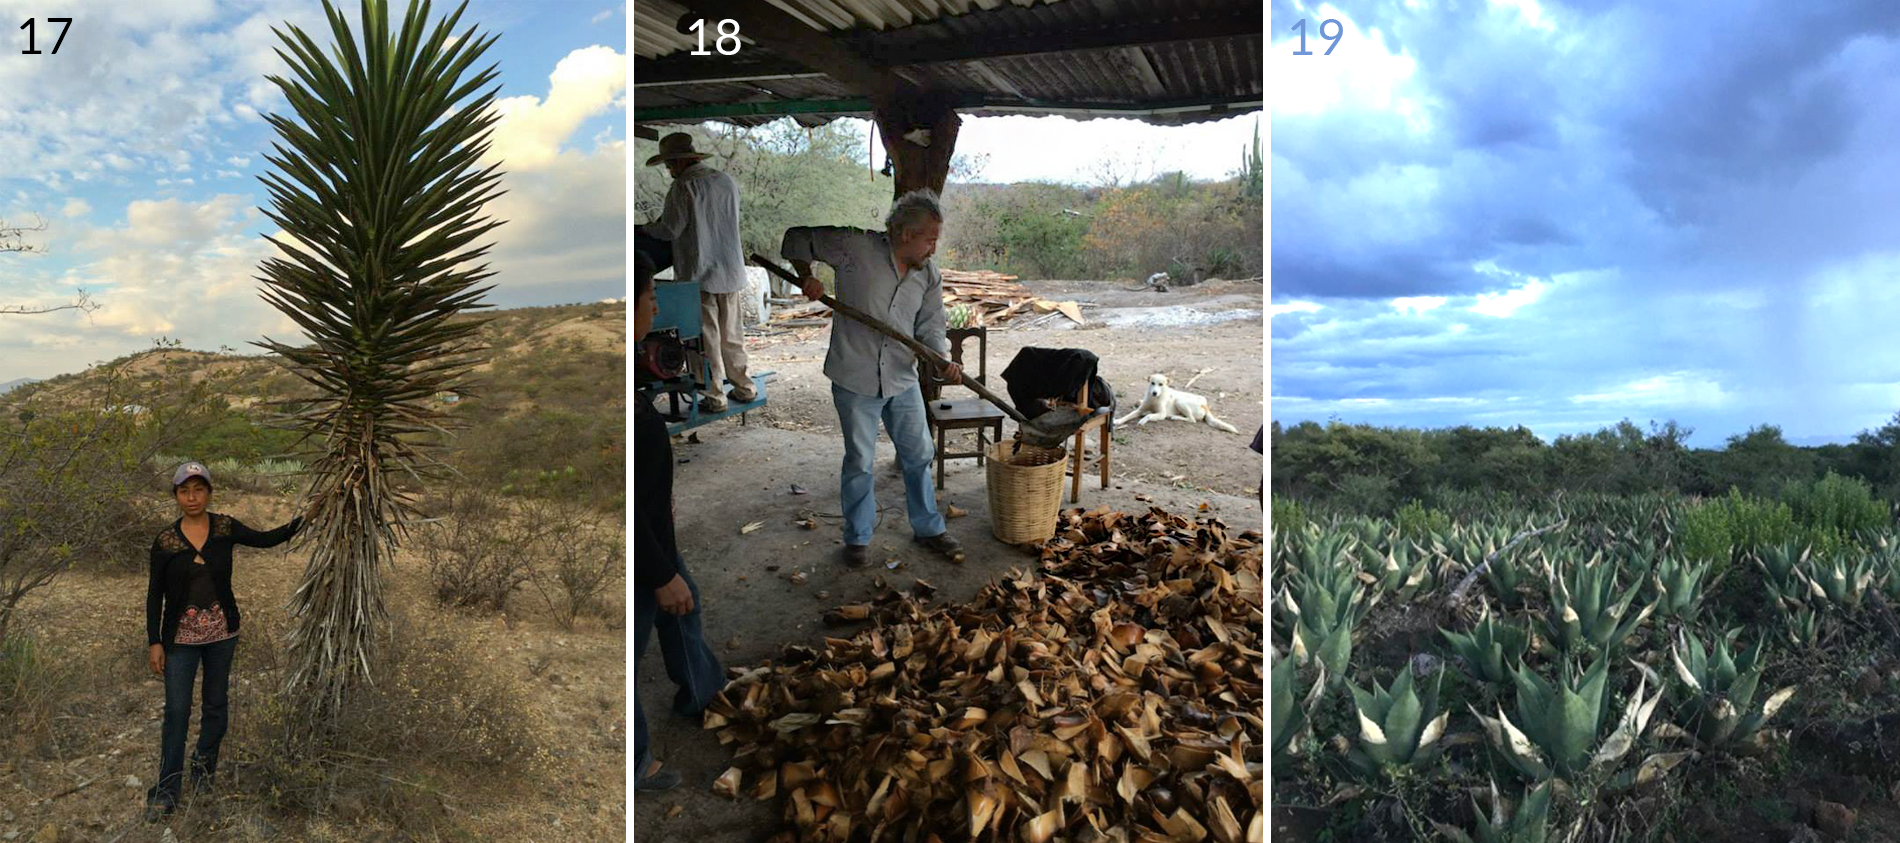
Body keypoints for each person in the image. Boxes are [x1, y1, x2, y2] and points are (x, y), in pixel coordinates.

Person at [781, 190, 966, 568]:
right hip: (855, 374)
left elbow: (931, 323)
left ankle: (928, 528)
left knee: (919, 454)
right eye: (929, 239)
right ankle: (858, 537)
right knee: (861, 459)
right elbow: (796, 237)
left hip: (901, 376)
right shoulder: (854, 247)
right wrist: (807, 277)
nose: (933, 248)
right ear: (904, 234)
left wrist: (939, 357)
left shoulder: (928, 273)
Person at [144, 462, 306, 819]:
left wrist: (308, 517)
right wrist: (155, 641)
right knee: (176, 711)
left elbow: (267, 539)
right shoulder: (166, 541)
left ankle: (204, 773)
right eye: (184, 491)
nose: (192, 497)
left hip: (222, 635)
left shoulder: (224, 527)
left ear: (209, 492)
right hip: (180, 640)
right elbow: (155, 594)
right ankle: (167, 788)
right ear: (176, 496)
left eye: (198, 490)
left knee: (216, 706)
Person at [633, 252, 727, 793]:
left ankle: (703, 691)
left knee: (684, 605)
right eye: (650, 296)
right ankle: (635, 763)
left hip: (656, 533)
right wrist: (657, 571)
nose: (655, 304)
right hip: (643, 545)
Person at [638, 132, 751, 414]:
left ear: (678, 162)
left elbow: (670, 230)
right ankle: (744, 386)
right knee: (732, 334)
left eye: (669, 165)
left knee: (705, 339)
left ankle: (714, 395)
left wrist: (644, 228)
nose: (669, 171)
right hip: (731, 270)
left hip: (699, 274)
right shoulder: (726, 181)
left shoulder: (683, 187)